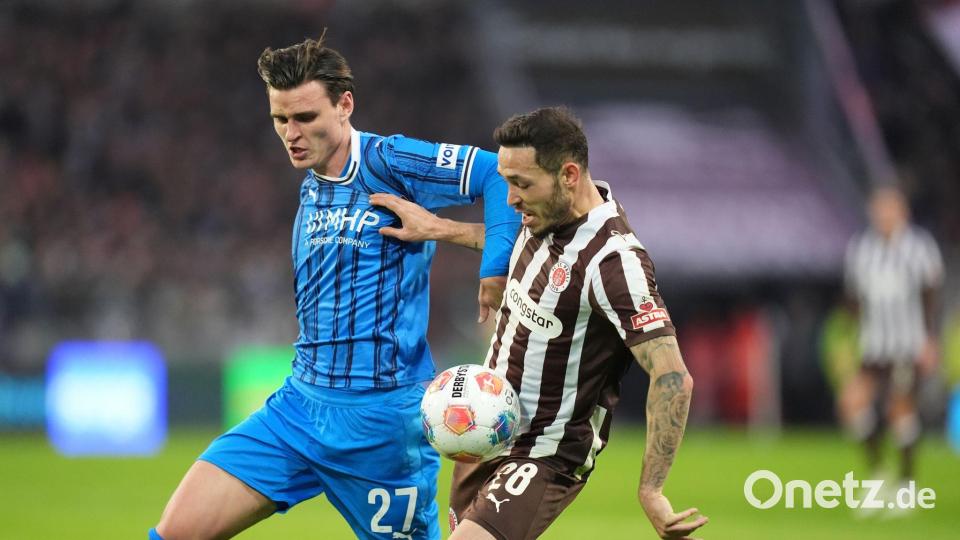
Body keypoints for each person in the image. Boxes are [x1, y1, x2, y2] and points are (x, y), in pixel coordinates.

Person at [151, 34, 520, 540]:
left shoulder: (388, 161)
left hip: (381, 426)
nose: (291, 133)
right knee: (176, 531)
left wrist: (494, 269)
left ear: (345, 105)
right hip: (297, 409)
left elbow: (498, 175)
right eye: (280, 119)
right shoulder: (313, 178)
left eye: (305, 118)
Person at [373, 107, 707, 539]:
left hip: (542, 455)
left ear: (569, 174)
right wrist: (437, 227)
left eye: (521, 184)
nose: (509, 199)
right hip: (481, 432)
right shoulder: (547, 214)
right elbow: (510, 246)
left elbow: (673, 377)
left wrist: (652, 489)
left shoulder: (614, 262)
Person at [841, 185, 944, 484]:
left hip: (907, 345)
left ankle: (906, 483)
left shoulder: (919, 248)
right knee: (853, 404)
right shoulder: (861, 250)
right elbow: (853, 302)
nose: (883, 215)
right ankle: (877, 474)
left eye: (889, 208)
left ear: (903, 212)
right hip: (872, 346)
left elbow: (930, 295)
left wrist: (930, 339)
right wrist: (849, 340)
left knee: (899, 410)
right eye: (878, 208)